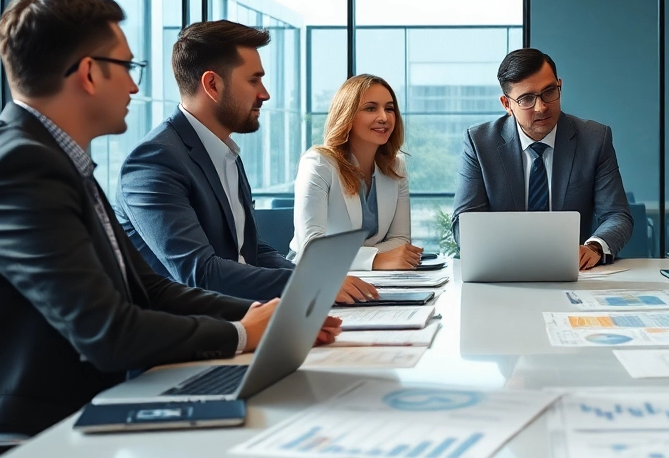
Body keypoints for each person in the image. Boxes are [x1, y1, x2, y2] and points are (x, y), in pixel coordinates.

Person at [0, 0, 340, 458]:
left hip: (77, 428)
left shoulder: (59, 162)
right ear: (89, 72)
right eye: (127, 66)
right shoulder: (20, 168)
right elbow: (106, 332)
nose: (137, 87)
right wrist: (243, 335)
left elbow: (150, 290)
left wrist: (264, 319)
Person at [115, 20, 376, 304]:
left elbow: (252, 251)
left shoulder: (224, 153)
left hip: (245, 314)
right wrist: (308, 283)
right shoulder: (155, 161)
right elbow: (200, 273)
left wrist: (321, 281)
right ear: (212, 84)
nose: (264, 94)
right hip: (195, 333)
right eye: (254, 80)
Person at [452, 48, 633, 269]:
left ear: (560, 85)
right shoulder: (479, 142)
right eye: (527, 99)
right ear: (506, 104)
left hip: (573, 271)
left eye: (549, 91)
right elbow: (465, 222)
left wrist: (594, 247)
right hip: (504, 270)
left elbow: (617, 215)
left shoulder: (594, 139)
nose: (542, 107)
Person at [292, 74, 422, 270]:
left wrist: (351, 255)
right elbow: (312, 249)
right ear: (347, 115)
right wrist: (375, 259)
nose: (384, 118)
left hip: (374, 277)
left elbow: (401, 241)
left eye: (389, 109)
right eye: (371, 108)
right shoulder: (318, 163)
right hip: (316, 276)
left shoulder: (396, 167)